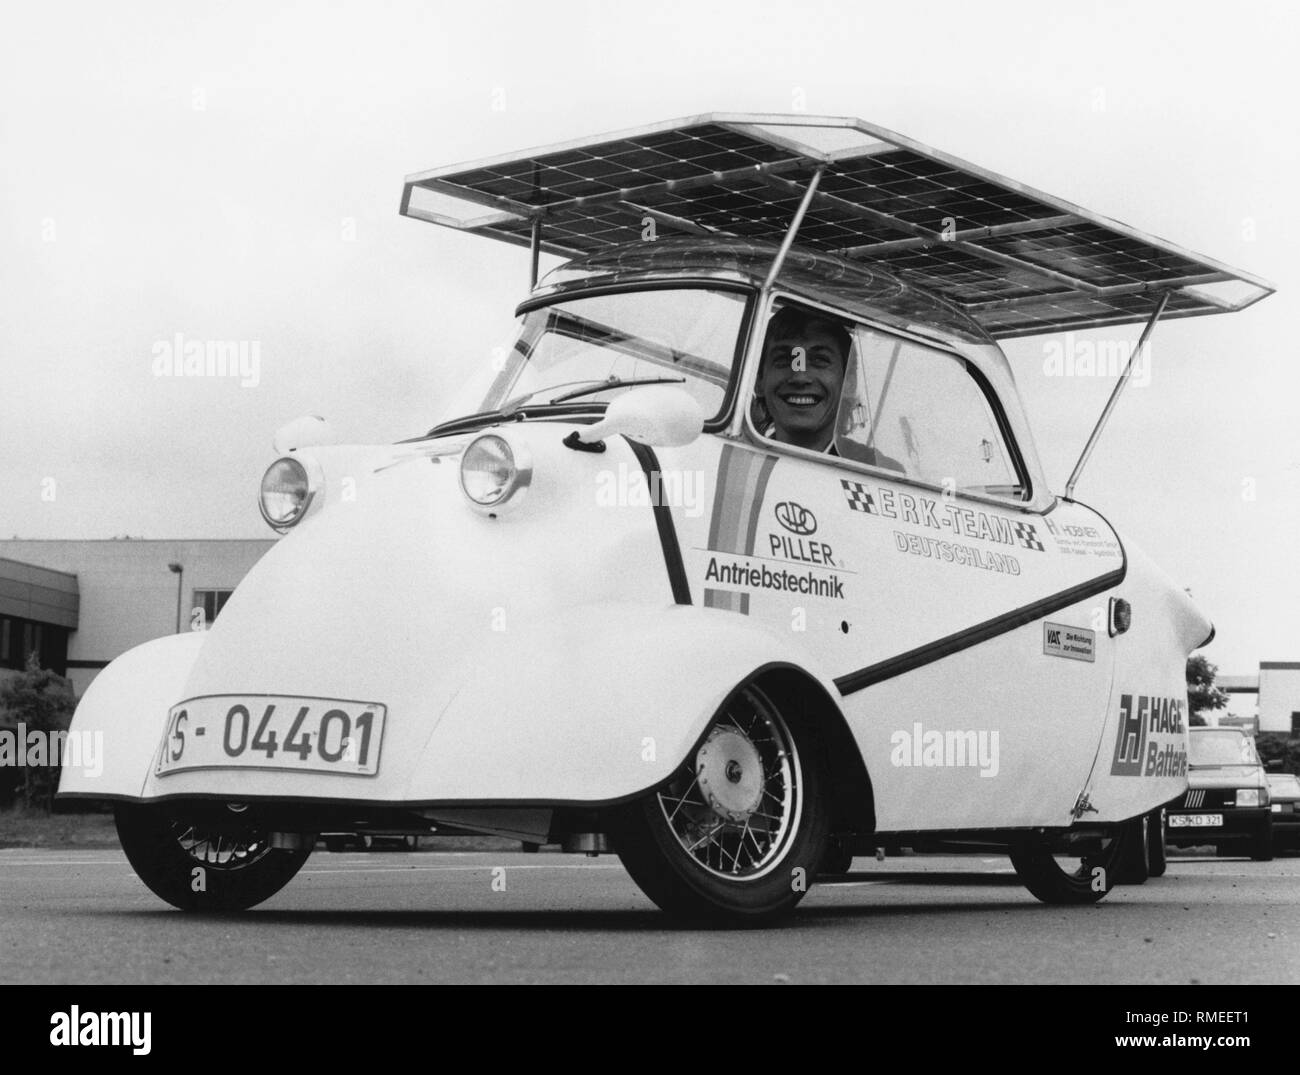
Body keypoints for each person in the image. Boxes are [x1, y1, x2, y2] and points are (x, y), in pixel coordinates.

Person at [754, 306, 851, 453]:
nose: (799, 377)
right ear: (758, 381)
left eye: (819, 360)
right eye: (784, 359)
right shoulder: (731, 460)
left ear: (849, 382)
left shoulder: (879, 470)